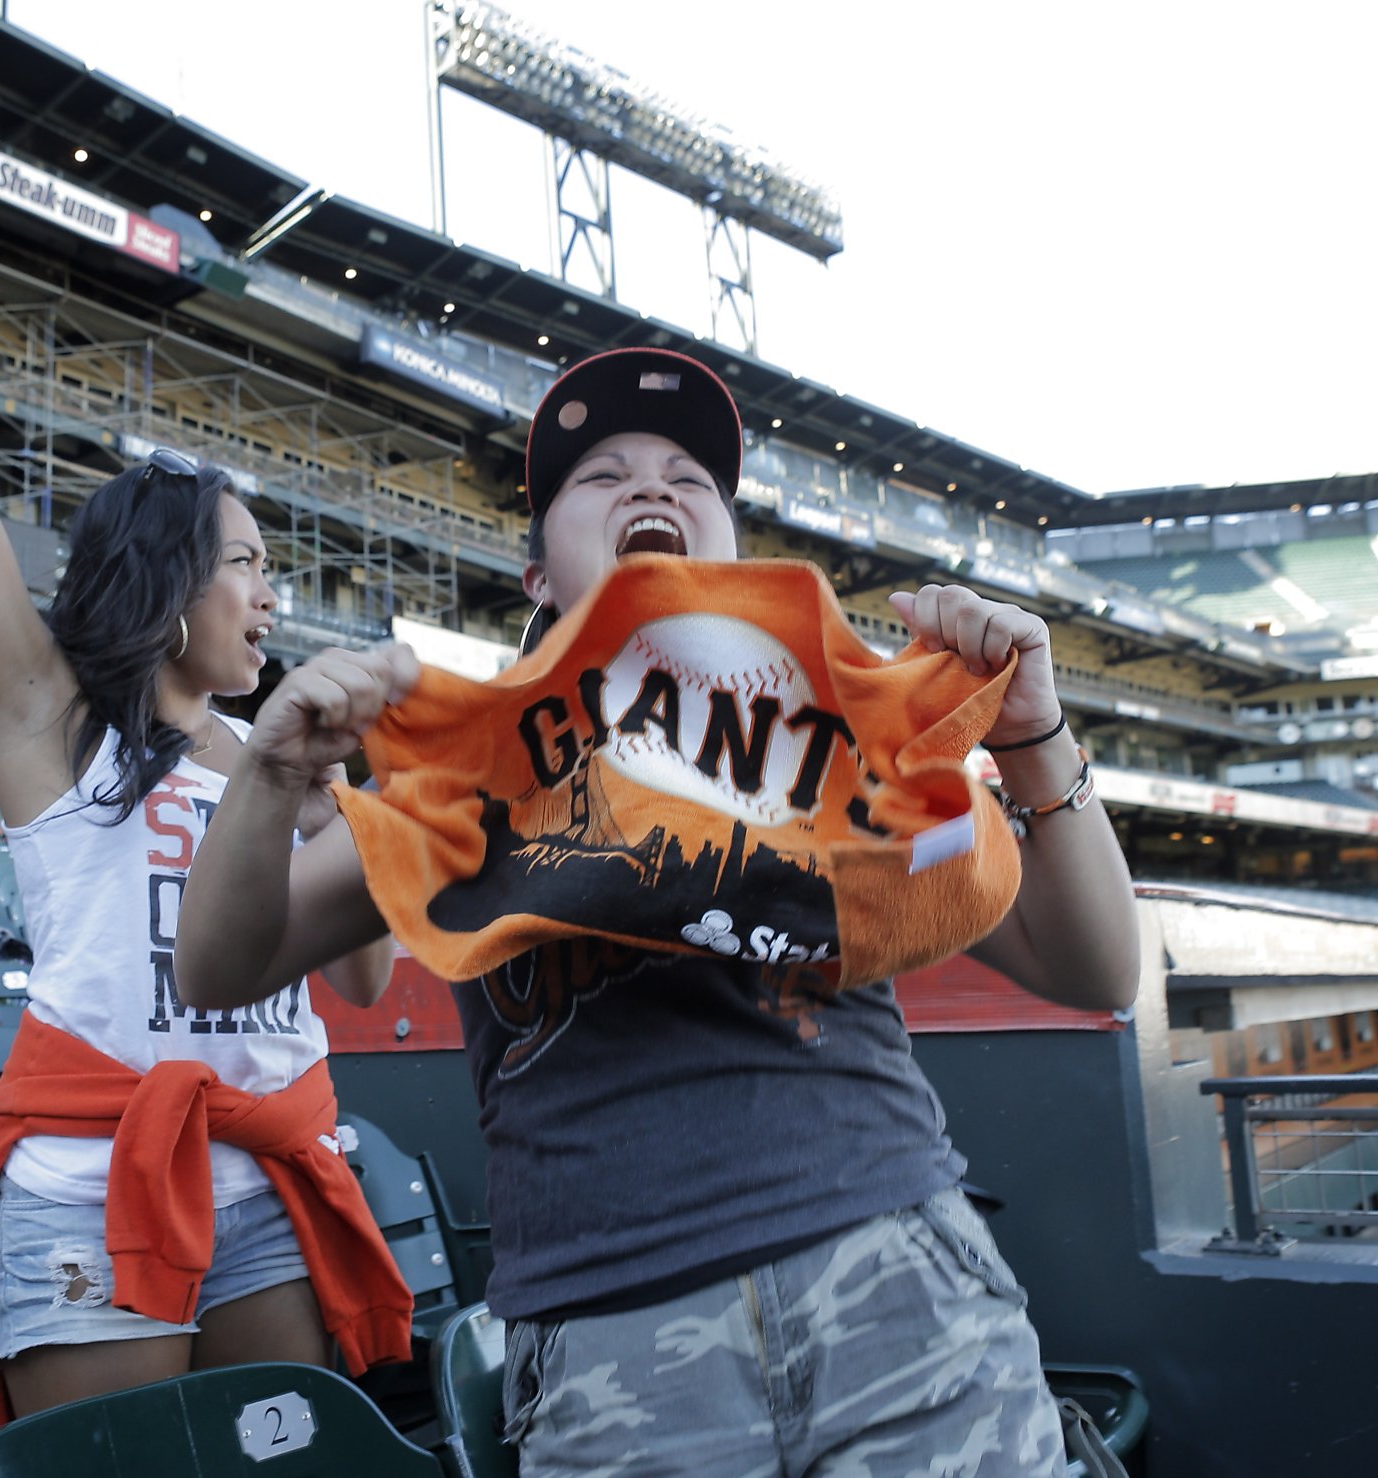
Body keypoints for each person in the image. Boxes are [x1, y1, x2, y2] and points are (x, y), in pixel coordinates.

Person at [175, 348, 1141, 1477]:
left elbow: (1093, 967)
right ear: (536, 579)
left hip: (894, 1279)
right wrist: (271, 770)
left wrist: (1029, 733)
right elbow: (219, 965)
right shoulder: (467, 771)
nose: (650, 485)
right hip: (609, 1339)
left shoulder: (832, 731)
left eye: (690, 475)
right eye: (600, 476)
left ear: (730, 551)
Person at [0, 109, 409, 1428]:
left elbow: (361, 973)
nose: (269, 595)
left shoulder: (268, 751)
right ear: (170, 577)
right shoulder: (47, 717)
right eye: (247, 564)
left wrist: (333, 785)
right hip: (91, 1175)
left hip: (264, 1172)